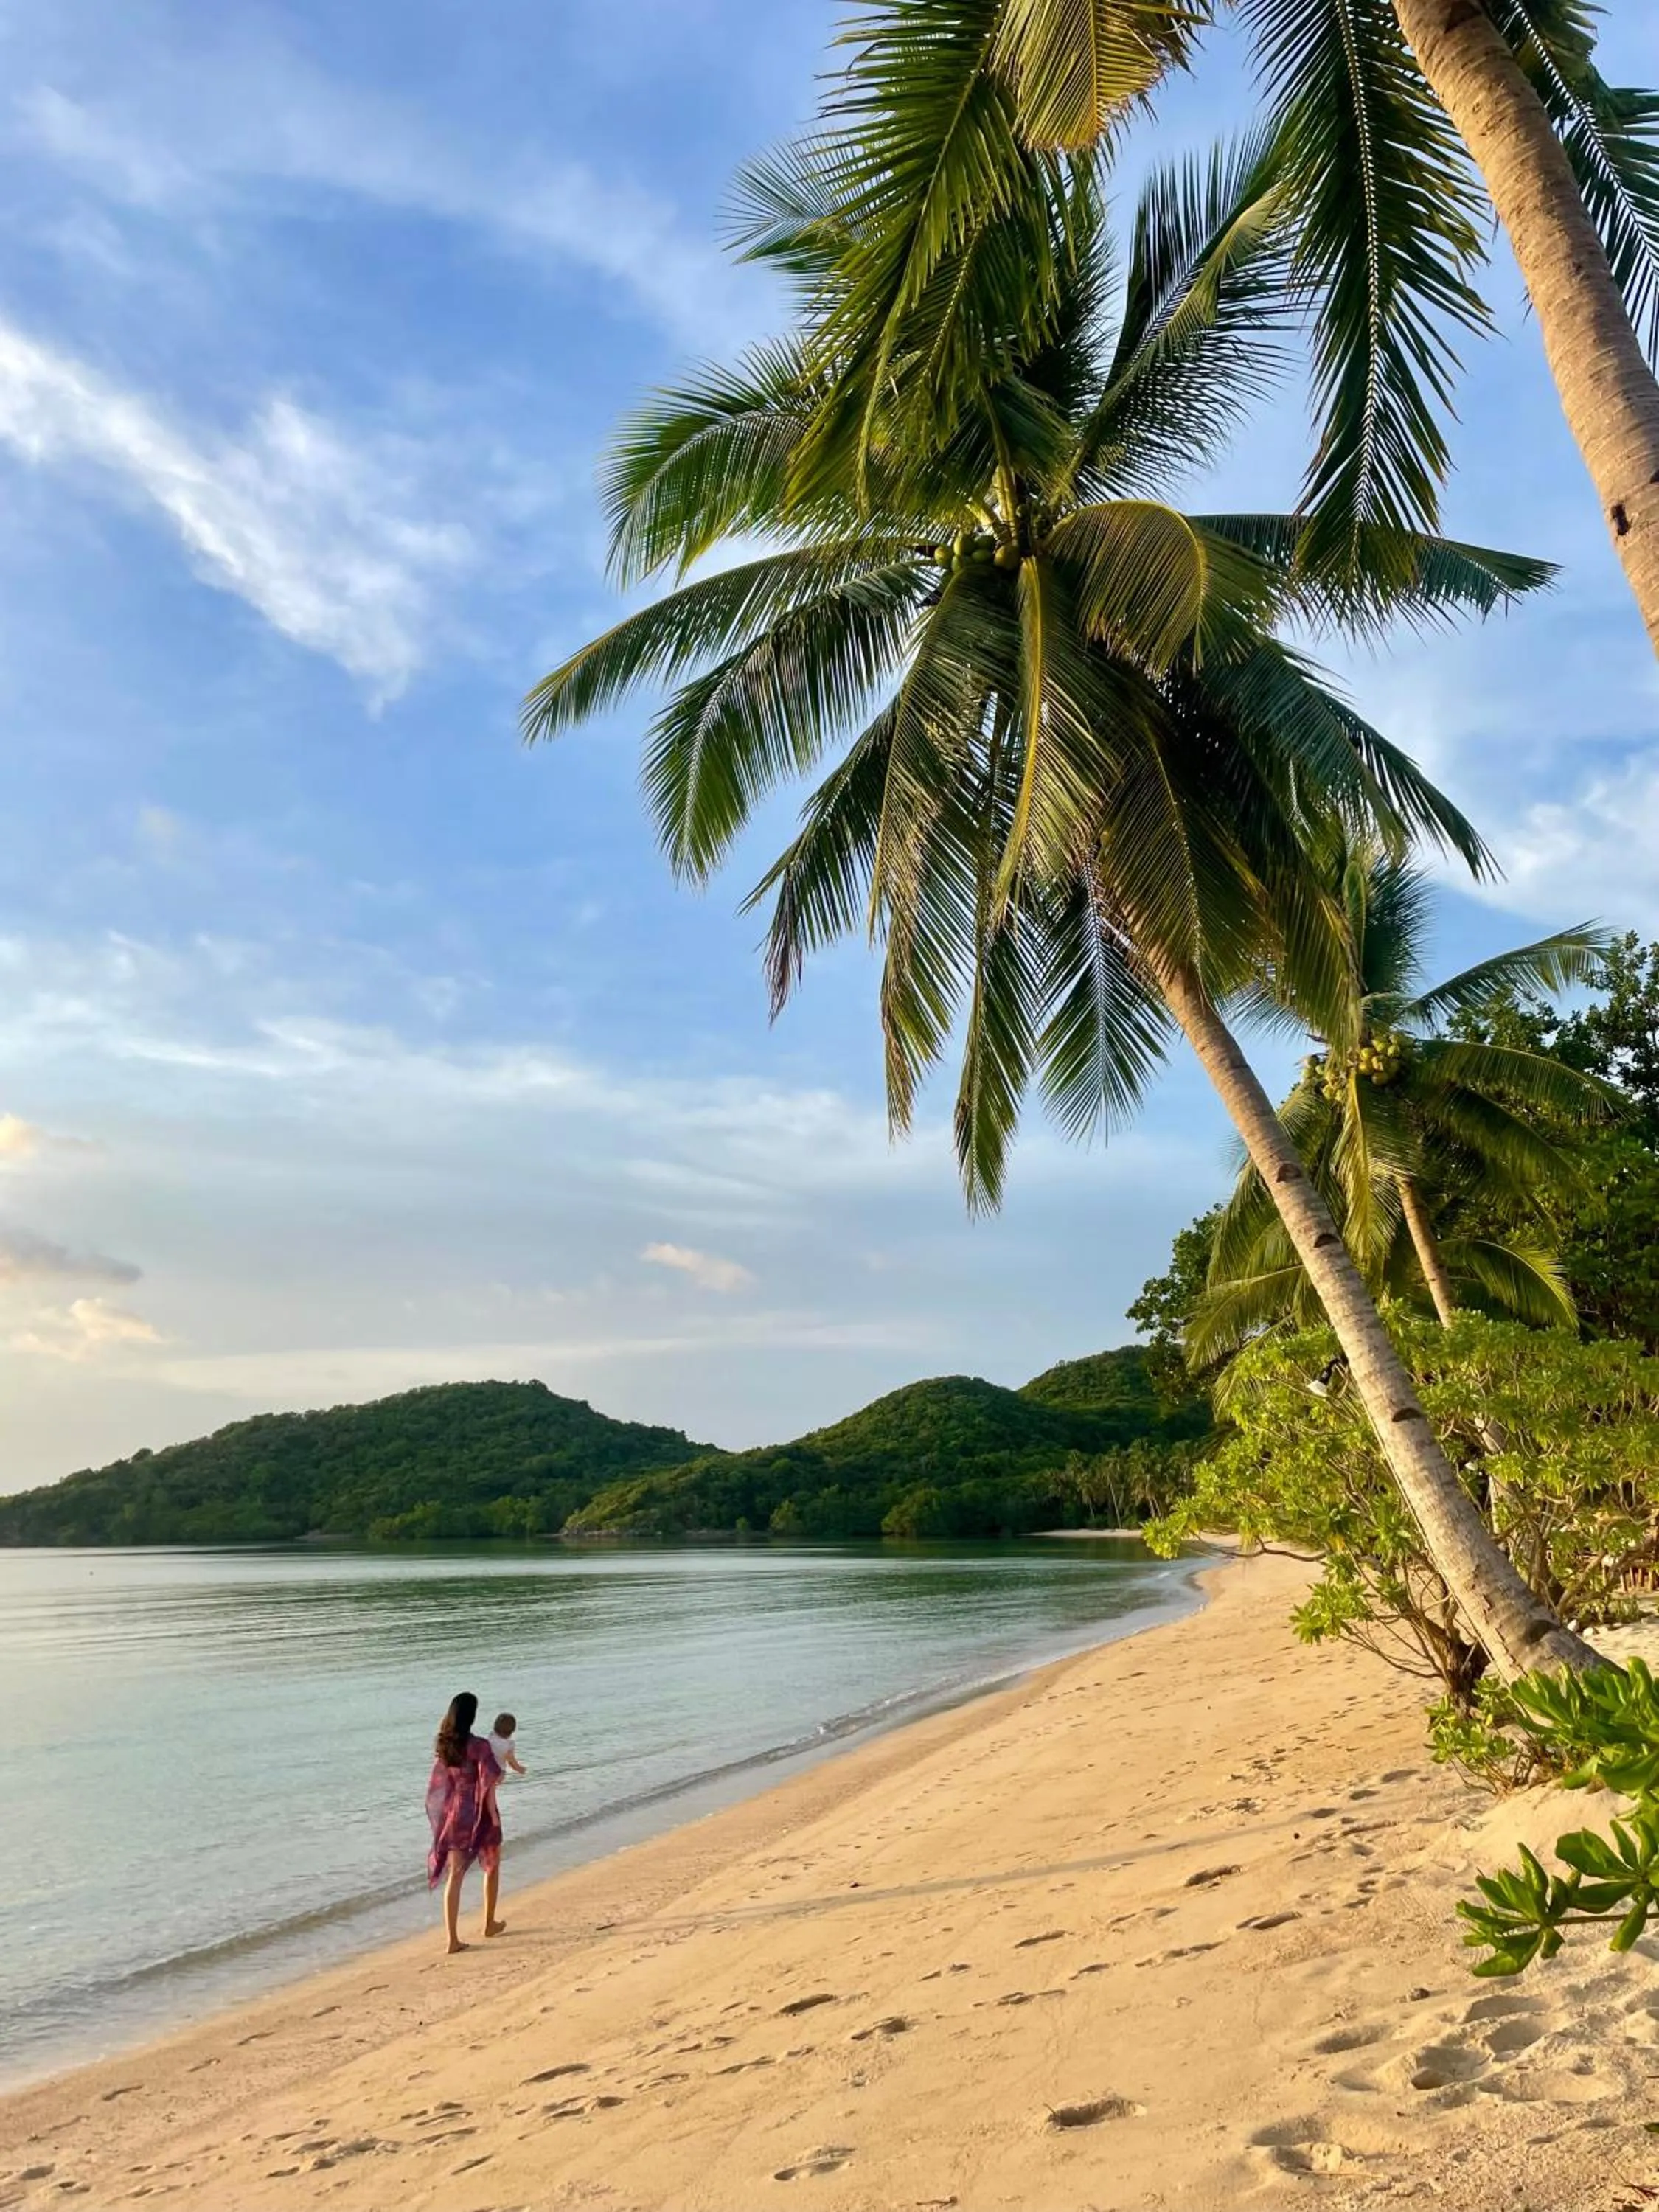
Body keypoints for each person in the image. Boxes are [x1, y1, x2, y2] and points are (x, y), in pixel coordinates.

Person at [425, 1690, 504, 1952]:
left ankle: (452, 1940)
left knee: (455, 1876)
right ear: (471, 1716)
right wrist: (492, 1813)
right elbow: (491, 1780)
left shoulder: (444, 1745)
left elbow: (439, 1783)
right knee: (491, 1866)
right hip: (480, 1812)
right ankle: (489, 1923)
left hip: (456, 1815)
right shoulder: (479, 1746)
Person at [488, 1711, 526, 1780]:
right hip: (499, 1772)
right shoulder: (510, 1744)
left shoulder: (491, 1736)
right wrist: (520, 1769)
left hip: (485, 1768)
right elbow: (511, 1761)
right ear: (513, 1729)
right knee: (492, 1786)